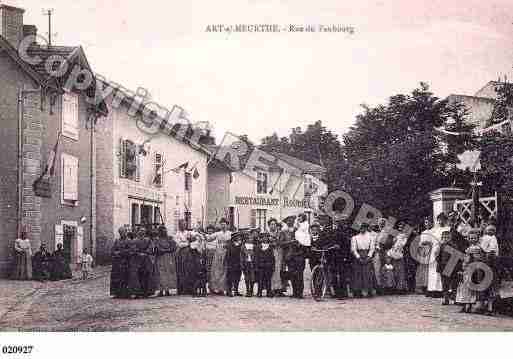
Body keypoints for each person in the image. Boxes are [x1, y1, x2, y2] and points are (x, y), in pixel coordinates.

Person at [438, 213, 468, 305]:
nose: (451, 221)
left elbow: (463, 243)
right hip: (445, 260)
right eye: (450, 220)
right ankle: (446, 297)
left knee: (454, 280)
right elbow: (438, 254)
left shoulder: (461, 228)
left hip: (455, 258)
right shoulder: (447, 230)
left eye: (453, 219)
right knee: (446, 281)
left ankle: (455, 298)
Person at [422, 213, 450, 298]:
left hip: (444, 250)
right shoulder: (435, 230)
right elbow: (431, 240)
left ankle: (442, 290)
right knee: (433, 270)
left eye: (442, 219)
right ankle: (433, 289)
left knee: (441, 270)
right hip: (434, 250)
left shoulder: (448, 228)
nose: (440, 221)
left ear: (445, 220)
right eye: (438, 220)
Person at [456, 229, 481, 313]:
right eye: (470, 238)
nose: (472, 240)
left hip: (473, 269)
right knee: (464, 287)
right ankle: (464, 305)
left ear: (477, 239)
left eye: (474, 238)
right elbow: (465, 259)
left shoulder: (477, 248)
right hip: (466, 269)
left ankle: (469, 305)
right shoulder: (468, 248)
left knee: (470, 287)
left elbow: (476, 259)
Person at [478, 225, 499, 315]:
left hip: (490, 263)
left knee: (490, 285)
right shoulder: (484, 238)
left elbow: (492, 250)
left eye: (493, 230)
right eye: (489, 229)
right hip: (484, 263)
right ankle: (482, 305)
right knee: (483, 284)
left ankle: (489, 307)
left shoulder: (493, 239)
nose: (491, 231)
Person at [351, 223, 376, 297]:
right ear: (359, 228)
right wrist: (358, 257)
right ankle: (357, 291)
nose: (362, 229)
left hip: (367, 255)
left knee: (367, 273)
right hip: (358, 256)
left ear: (366, 228)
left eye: (364, 227)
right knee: (357, 273)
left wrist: (368, 257)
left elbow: (372, 248)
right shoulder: (355, 238)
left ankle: (369, 291)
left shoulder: (371, 237)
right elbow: (353, 249)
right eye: (361, 227)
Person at [332, 219, 354, 299]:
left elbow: (348, 244)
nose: (337, 224)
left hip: (343, 255)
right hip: (334, 256)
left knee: (342, 275)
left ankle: (343, 293)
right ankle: (337, 293)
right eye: (336, 222)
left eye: (338, 222)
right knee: (335, 274)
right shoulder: (334, 231)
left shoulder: (346, 232)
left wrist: (341, 249)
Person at [209, 218, 231, 295]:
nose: (223, 226)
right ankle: (215, 288)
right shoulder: (218, 233)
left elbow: (233, 241)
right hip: (218, 253)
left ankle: (223, 289)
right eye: (221, 224)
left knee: (224, 271)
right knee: (216, 270)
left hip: (226, 253)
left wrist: (228, 245)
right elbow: (209, 238)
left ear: (227, 225)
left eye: (224, 224)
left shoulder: (230, 233)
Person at [386, 221, 408, 294]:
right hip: (393, 253)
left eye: (402, 226)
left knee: (401, 272)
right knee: (393, 270)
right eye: (399, 226)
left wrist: (397, 244)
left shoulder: (405, 235)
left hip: (399, 253)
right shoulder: (394, 234)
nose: (400, 227)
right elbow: (389, 243)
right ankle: (393, 287)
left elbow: (403, 244)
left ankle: (400, 288)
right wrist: (393, 242)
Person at [155, 225, 178, 297]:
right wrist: (164, 250)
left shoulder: (169, 239)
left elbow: (174, 247)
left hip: (168, 258)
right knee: (161, 273)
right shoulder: (157, 240)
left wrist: (168, 250)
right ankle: (161, 290)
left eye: (164, 230)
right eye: (161, 230)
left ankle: (167, 290)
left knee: (168, 273)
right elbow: (157, 248)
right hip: (160, 258)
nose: (163, 232)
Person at [175, 220, 194, 295]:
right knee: (181, 270)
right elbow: (179, 244)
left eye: (185, 224)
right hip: (181, 253)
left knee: (189, 270)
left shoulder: (188, 233)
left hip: (188, 254)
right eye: (182, 224)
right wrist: (187, 243)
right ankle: (181, 289)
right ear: (179, 225)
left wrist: (188, 242)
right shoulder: (177, 234)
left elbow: (193, 239)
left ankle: (189, 288)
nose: (183, 226)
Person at [110, 226, 130, 298]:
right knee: (116, 278)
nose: (122, 234)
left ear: (125, 232)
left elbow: (130, 251)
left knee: (124, 278)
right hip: (117, 262)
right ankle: (116, 293)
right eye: (120, 232)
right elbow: (112, 250)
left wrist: (121, 252)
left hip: (125, 262)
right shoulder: (117, 241)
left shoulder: (128, 241)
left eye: (123, 232)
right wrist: (115, 253)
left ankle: (125, 293)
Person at [268, 218, 286, 297]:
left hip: (279, 252)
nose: (273, 226)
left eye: (274, 224)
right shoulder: (267, 234)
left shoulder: (280, 233)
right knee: (271, 270)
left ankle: (278, 289)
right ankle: (271, 288)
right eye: (271, 224)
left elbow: (280, 242)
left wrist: (275, 242)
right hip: (270, 253)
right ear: (269, 226)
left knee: (278, 270)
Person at [415, 217, 433, 293]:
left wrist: (428, 243)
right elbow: (420, 242)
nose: (427, 224)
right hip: (423, 251)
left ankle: (428, 286)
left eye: (429, 222)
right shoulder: (423, 232)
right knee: (422, 268)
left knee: (429, 268)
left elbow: (433, 241)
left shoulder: (433, 231)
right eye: (426, 222)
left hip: (430, 250)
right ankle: (422, 286)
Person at [241, 229, 258, 297]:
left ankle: (251, 289)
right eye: (247, 237)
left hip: (252, 264)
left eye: (251, 237)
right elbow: (241, 256)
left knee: (252, 277)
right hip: (246, 263)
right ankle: (248, 290)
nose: (249, 239)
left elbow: (256, 255)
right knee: (246, 277)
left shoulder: (254, 246)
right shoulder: (243, 246)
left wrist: (256, 263)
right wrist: (242, 264)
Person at [226, 232, 243, 297]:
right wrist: (228, 263)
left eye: (239, 237)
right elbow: (228, 255)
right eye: (237, 237)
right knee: (230, 277)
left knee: (237, 277)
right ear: (233, 238)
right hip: (231, 263)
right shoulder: (230, 245)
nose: (239, 238)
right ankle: (229, 291)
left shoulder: (241, 244)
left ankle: (236, 290)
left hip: (238, 263)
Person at [204, 224, 217, 292]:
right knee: (207, 271)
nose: (210, 231)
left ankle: (213, 287)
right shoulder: (205, 237)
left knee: (214, 271)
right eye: (209, 230)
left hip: (214, 255)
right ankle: (208, 286)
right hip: (207, 255)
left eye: (211, 230)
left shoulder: (215, 237)